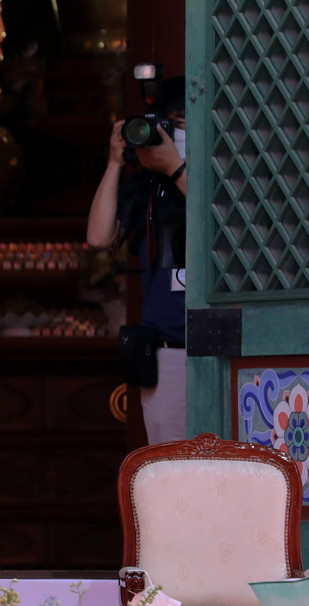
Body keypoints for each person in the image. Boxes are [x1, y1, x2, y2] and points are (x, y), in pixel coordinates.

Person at [86, 78, 187, 446]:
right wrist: (115, 162)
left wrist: (176, 167)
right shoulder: (145, 187)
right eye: (170, 124)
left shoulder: (220, 178)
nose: (175, 134)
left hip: (225, 347)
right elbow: (98, 237)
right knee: (170, 463)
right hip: (167, 348)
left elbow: (224, 224)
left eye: (184, 125)